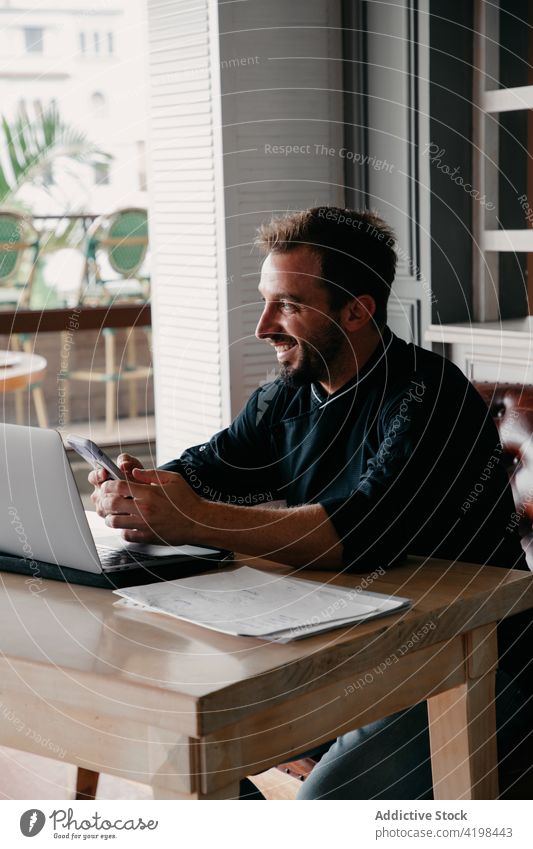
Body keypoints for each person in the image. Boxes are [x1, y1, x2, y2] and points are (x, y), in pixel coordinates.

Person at [90, 207, 532, 799]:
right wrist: (142, 490)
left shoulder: (429, 397)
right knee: (178, 746)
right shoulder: (284, 399)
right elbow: (204, 473)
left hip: (476, 655)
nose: (263, 326)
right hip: (345, 642)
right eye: (265, 301)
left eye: (289, 306)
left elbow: (359, 535)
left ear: (357, 310)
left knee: (323, 807)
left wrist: (190, 517)